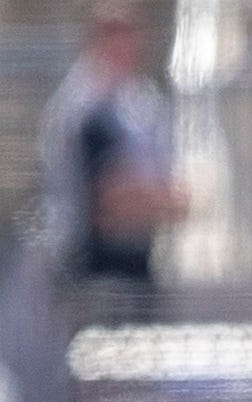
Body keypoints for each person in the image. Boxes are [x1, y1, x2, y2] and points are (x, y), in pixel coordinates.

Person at [38, 0, 183, 286]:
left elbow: (172, 192)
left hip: (141, 254)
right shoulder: (80, 107)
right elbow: (107, 201)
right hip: (90, 258)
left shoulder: (145, 102)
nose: (125, 46)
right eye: (113, 34)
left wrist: (151, 199)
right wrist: (148, 199)